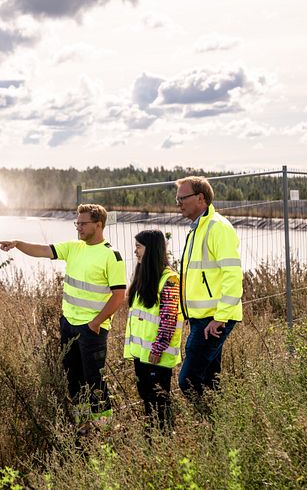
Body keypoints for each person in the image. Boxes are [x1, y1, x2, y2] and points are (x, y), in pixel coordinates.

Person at [0, 204, 127, 427]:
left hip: (92, 330)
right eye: (77, 223)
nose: (79, 228)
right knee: (73, 378)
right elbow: (42, 250)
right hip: (68, 324)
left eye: (83, 224)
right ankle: (83, 426)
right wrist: (18, 244)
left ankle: (104, 430)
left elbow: (118, 296)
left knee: (94, 379)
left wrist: (95, 323)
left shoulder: (111, 256)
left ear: (98, 224)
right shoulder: (74, 247)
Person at [175, 176, 243, 403]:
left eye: (182, 198)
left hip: (213, 320)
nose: (178, 204)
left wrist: (221, 317)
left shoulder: (217, 228)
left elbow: (232, 276)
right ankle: (218, 425)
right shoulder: (197, 229)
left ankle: (209, 420)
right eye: (177, 199)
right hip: (202, 318)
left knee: (188, 381)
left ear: (200, 198)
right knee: (209, 379)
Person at [124, 230, 182, 431]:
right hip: (142, 354)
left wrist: (157, 348)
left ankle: (163, 440)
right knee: (147, 399)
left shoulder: (170, 279)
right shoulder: (144, 277)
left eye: (139, 247)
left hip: (157, 356)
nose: (135, 251)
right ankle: (153, 440)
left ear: (151, 250)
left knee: (159, 402)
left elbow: (169, 319)